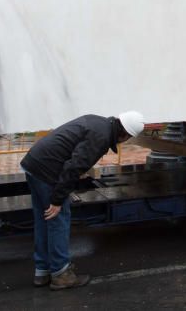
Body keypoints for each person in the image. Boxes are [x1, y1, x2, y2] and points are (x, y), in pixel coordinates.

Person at [20, 111, 146, 290]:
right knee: (58, 219)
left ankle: (42, 271)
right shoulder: (101, 137)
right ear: (125, 135)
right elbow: (73, 167)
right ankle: (61, 274)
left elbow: (73, 150)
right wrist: (57, 200)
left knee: (44, 219)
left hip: (34, 163)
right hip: (47, 170)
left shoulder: (98, 122)